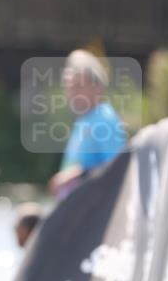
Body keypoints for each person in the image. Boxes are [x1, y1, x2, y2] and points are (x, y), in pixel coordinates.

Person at [48, 50, 127, 200]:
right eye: (69, 87)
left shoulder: (105, 119)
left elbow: (118, 170)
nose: (71, 93)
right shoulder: (84, 120)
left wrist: (80, 174)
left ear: (97, 87)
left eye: (78, 86)